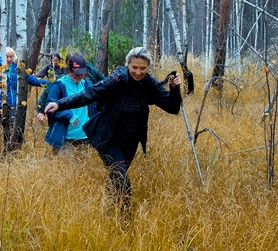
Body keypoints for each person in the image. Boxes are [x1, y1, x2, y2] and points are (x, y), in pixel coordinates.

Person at [41, 46, 182, 212]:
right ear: (127, 65)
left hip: (130, 141)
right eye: (134, 67)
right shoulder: (116, 80)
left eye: (142, 68)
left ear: (148, 68)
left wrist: (174, 89)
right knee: (122, 179)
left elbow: (172, 108)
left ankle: (105, 210)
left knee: (116, 179)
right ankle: (126, 220)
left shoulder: (149, 84)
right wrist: (59, 104)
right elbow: (88, 94)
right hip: (109, 138)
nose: (138, 72)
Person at [41, 53, 95, 154]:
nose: (79, 75)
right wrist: (68, 115)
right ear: (70, 70)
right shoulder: (59, 85)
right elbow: (49, 108)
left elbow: (94, 107)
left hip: (85, 138)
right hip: (65, 140)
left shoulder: (88, 84)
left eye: (82, 73)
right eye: (76, 73)